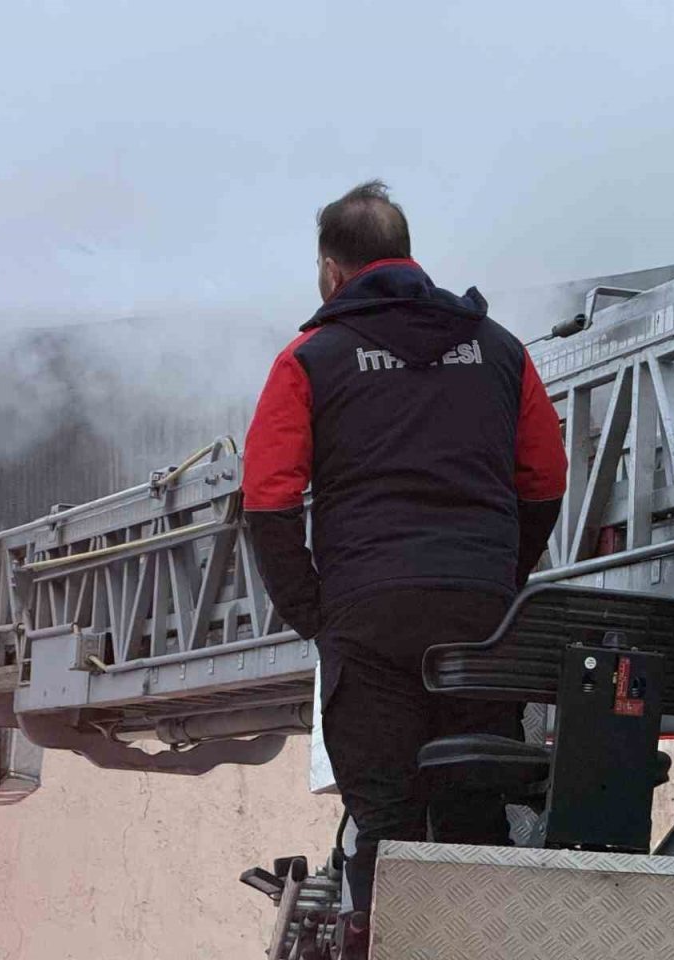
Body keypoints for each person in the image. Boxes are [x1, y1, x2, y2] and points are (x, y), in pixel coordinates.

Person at [241, 181, 567, 941]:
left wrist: (314, 613)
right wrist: (500, 582)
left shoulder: (308, 359)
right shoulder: (501, 350)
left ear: (331, 271)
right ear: (407, 255)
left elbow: (268, 498)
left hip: (370, 620)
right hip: (482, 624)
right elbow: (546, 480)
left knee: (385, 822)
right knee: (475, 811)